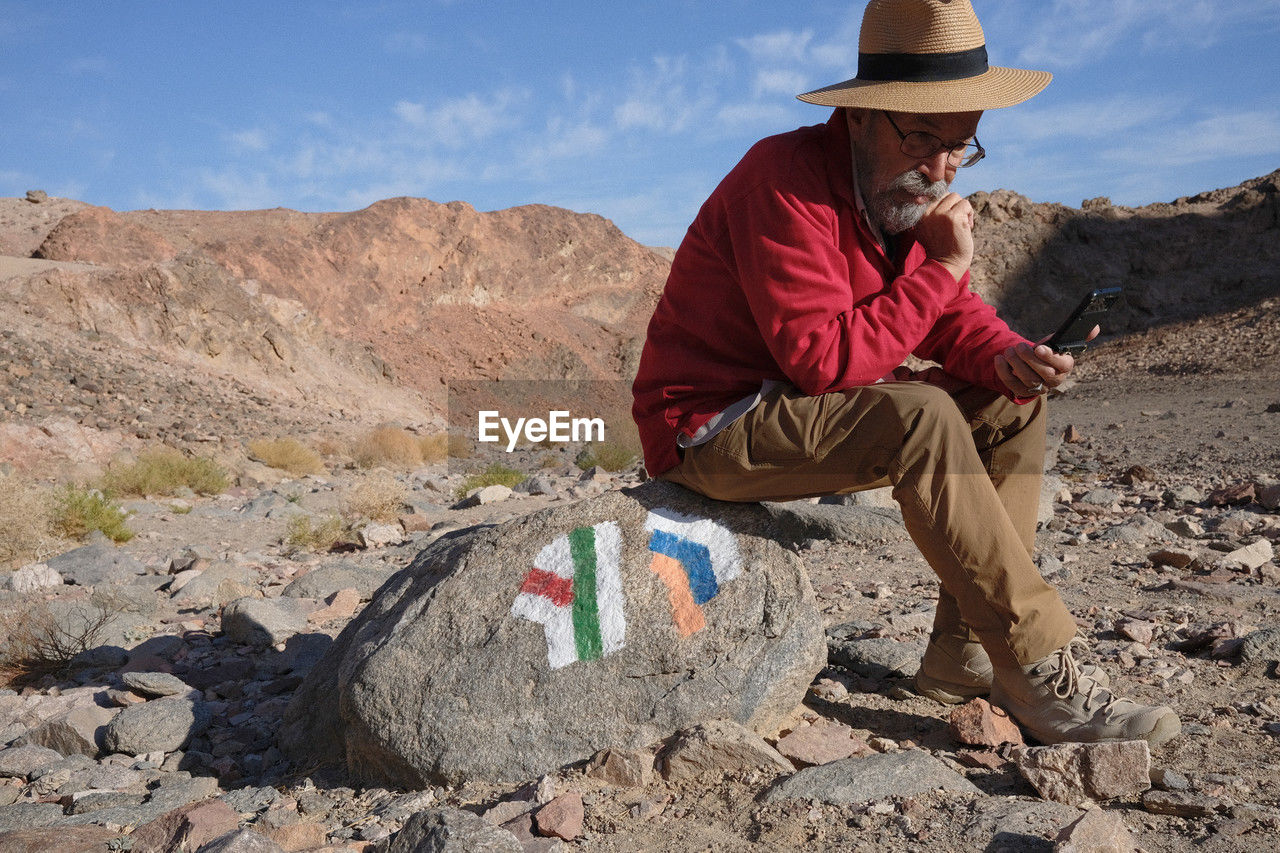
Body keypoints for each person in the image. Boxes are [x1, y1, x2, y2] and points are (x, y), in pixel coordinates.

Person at [631, 0, 1180, 747]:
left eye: (962, 145)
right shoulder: (783, 184)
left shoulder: (893, 193)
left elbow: (944, 315)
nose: (942, 165)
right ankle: (1037, 661)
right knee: (919, 414)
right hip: (710, 424)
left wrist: (1007, 356)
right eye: (923, 135)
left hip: (794, 406)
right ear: (860, 116)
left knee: (1008, 403)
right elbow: (822, 360)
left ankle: (963, 654)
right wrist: (951, 262)